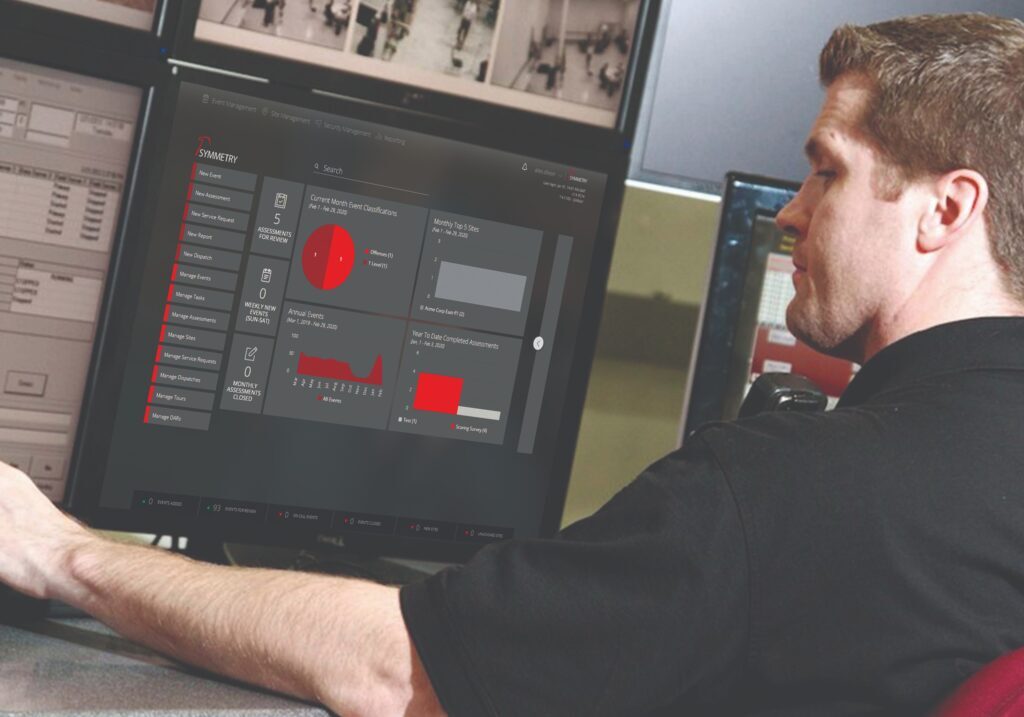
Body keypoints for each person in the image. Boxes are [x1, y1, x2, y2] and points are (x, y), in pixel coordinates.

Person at [2, 12, 1024, 717]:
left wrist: (61, 553)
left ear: (947, 208)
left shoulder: (787, 492)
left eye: (826, 170)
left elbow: (396, 671)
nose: (792, 212)